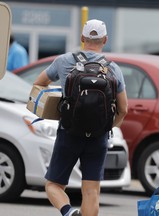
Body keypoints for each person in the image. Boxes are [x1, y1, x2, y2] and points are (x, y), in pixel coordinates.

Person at [33, 19, 128, 216]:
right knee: (91, 191)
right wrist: (108, 129)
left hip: (69, 132)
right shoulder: (113, 69)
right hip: (98, 137)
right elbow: (124, 108)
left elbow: (39, 84)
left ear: (82, 38)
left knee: (53, 185)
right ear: (105, 40)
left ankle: (69, 212)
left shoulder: (64, 61)